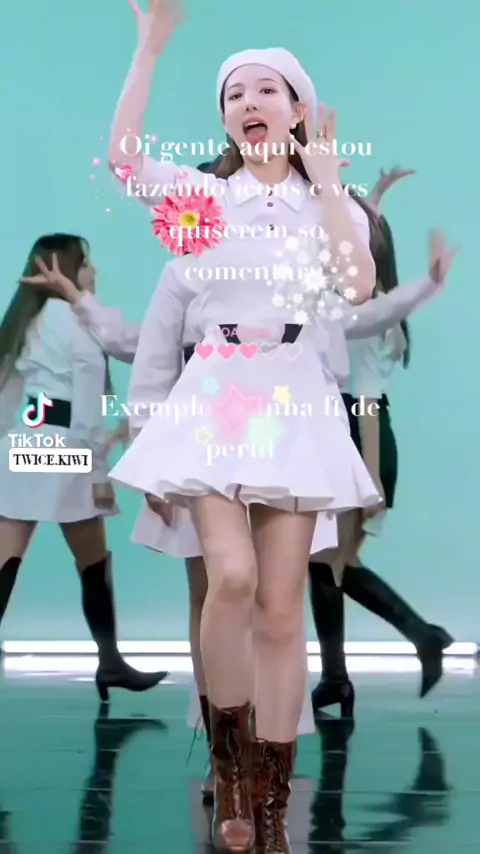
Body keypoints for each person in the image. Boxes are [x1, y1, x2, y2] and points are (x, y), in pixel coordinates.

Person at [108, 2, 381, 850]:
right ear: (225, 117)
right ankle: (227, 771)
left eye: (267, 89)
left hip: (294, 397)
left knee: (280, 610)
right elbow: (124, 160)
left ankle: (267, 799)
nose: (249, 102)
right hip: (218, 395)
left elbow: (358, 284)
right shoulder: (205, 198)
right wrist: (148, 51)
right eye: (234, 94)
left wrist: (327, 182)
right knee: (227, 575)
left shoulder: (330, 201)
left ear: (298, 107)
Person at [0, 234, 168, 701]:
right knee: (93, 561)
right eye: (88, 262)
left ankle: (111, 663)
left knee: (8, 560)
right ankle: (110, 662)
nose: (94, 271)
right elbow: (88, 410)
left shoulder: (26, 321)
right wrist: (97, 475)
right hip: (67, 449)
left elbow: (7, 397)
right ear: (68, 268)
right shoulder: (80, 325)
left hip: (25, 444)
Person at [309, 213, 459, 717]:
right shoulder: (376, 302)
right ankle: (339, 675)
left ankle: (419, 637)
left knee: (328, 564)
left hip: (360, 438)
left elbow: (366, 400)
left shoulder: (364, 312)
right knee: (329, 565)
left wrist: (369, 476)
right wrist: (372, 202)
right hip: (355, 438)